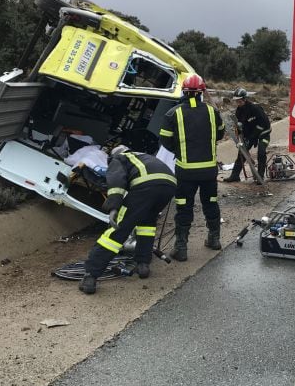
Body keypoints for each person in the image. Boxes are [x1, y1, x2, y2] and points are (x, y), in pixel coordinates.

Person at [79, 145, 176, 295]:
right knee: (147, 225)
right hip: (168, 186)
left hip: (146, 186)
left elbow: (116, 181)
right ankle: (143, 265)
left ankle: (90, 276)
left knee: (118, 230)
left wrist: (114, 206)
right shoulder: (143, 155)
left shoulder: (119, 158)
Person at [158, 74, 225, 261]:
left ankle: (181, 247)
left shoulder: (173, 113)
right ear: (202, 92)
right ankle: (214, 239)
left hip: (185, 171)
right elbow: (220, 135)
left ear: (184, 92)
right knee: (210, 202)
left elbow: (164, 139)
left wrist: (179, 150)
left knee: (184, 207)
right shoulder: (213, 112)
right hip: (209, 171)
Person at [223, 87, 271, 184]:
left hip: (263, 133)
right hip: (250, 135)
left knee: (261, 152)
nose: (238, 103)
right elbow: (240, 125)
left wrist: (251, 137)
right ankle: (235, 176)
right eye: (236, 101)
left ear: (245, 99)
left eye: (239, 100)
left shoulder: (255, 109)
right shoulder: (239, 111)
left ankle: (260, 177)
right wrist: (241, 135)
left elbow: (262, 125)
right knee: (242, 152)